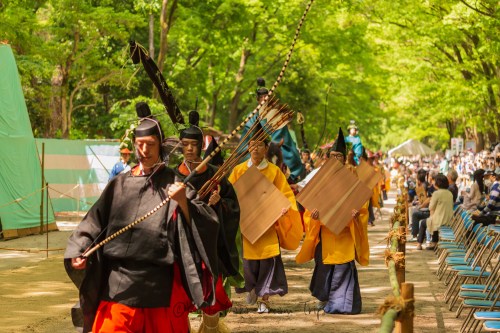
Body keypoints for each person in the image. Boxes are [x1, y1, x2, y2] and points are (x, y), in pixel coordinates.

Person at [64, 102, 220, 333]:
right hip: (118, 282)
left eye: (150, 144)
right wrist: (80, 249)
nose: (144, 150)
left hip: (159, 283)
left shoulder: (174, 183)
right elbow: (93, 221)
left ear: (160, 146)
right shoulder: (119, 184)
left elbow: (208, 221)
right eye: (140, 145)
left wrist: (183, 202)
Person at [173, 111, 241, 332]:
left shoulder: (216, 174)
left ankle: (210, 329)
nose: (190, 149)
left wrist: (220, 201)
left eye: (194, 144)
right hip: (184, 245)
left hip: (211, 246)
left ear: (202, 146)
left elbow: (234, 206)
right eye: (185, 144)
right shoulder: (174, 175)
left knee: (211, 296)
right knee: (179, 297)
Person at [296, 127, 369, 314]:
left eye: (339, 156)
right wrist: (313, 217)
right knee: (324, 267)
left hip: (345, 232)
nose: (336, 159)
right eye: (333, 156)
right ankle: (324, 298)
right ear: (328, 158)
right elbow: (309, 205)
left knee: (343, 266)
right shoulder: (320, 179)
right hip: (325, 231)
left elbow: (362, 207)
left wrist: (356, 216)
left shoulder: (352, 179)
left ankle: (342, 304)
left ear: (344, 159)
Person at [228, 135, 302, 314]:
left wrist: (285, 208)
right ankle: (252, 289)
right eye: (252, 144)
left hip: (268, 226)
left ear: (267, 148)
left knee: (268, 263)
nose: (255, 148)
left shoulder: (274, 171)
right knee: (248, 264)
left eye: (259, 145)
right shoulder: (239, 170)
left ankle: (264, 299)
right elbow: (229, 194)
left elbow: (286, 196)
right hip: (247, 226)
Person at [416, 173, 454, 250]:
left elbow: (431, 207)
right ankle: (434, 243)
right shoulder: (450, 193)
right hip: (448, 219)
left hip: (439, 219)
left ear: (438, 183)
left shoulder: (436, 193)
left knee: (424, 223)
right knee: (433, 220)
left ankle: (419, 244)